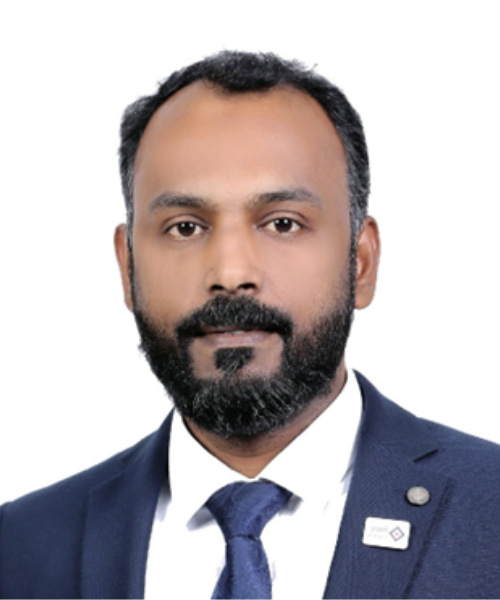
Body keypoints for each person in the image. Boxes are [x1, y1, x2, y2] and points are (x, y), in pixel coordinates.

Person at [1, 50, 500, 600]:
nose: (231, 273)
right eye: (185, 227)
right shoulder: (19, 548)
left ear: (360, 263)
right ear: (127, 267)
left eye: (282, 223)